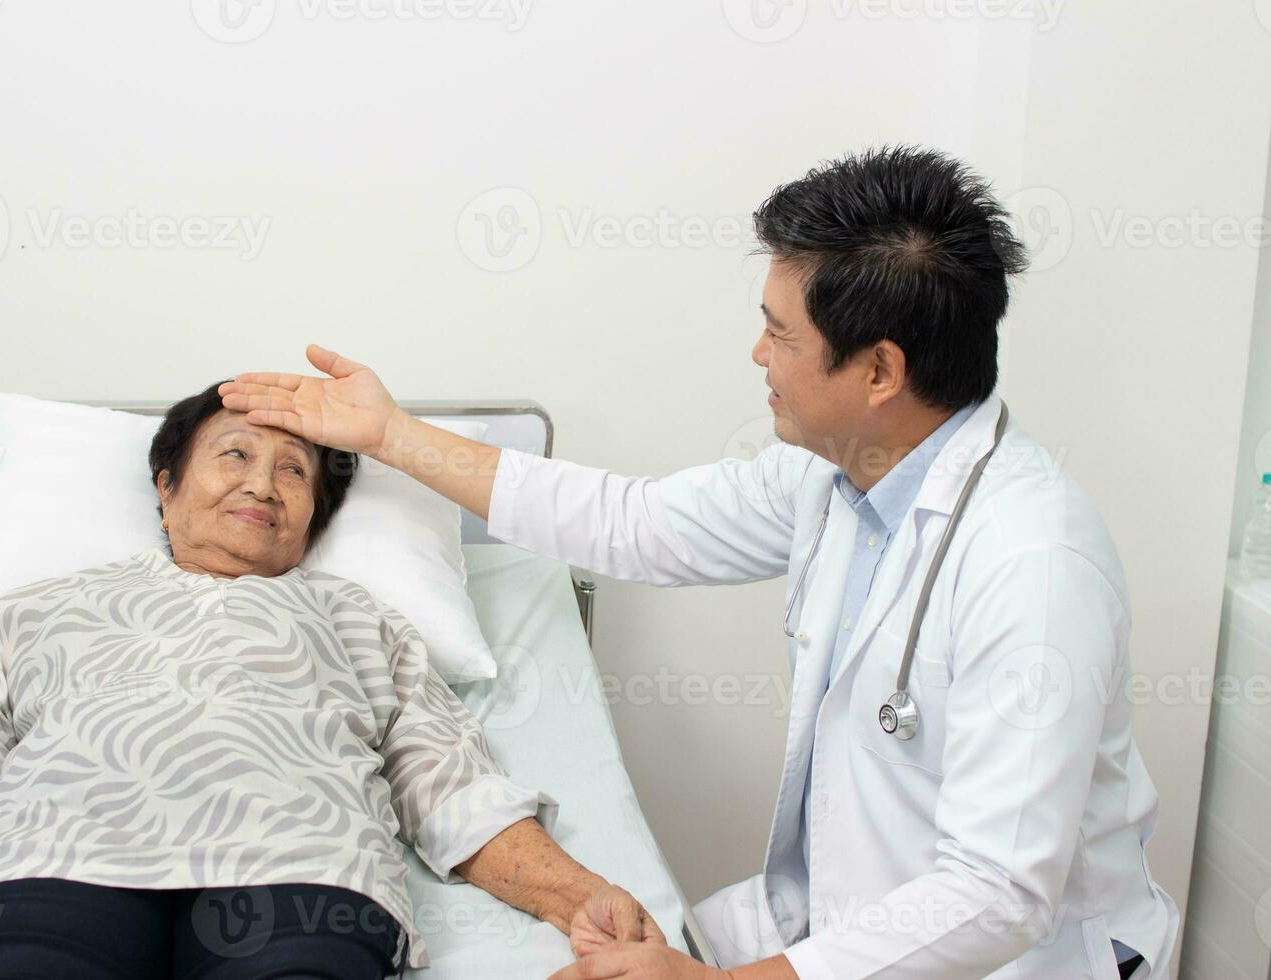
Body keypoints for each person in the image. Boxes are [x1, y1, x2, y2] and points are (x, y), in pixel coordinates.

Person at [217, 147, 1179, 978]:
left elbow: (997, 895)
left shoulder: (1032, 565)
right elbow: (635, 523)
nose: (755, 353)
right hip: (834, 926)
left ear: (880, 372)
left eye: (780, 332)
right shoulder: (836, 475)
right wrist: (390, 434)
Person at [0, 382, 662, 980]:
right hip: (54, 860)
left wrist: (575, 895)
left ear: (311, 521)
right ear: (166, 487)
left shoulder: (358, 619)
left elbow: (449, 785)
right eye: (234, 455)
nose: (262, 484)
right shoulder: (38, 609)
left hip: (301, 869)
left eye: (295, 473)